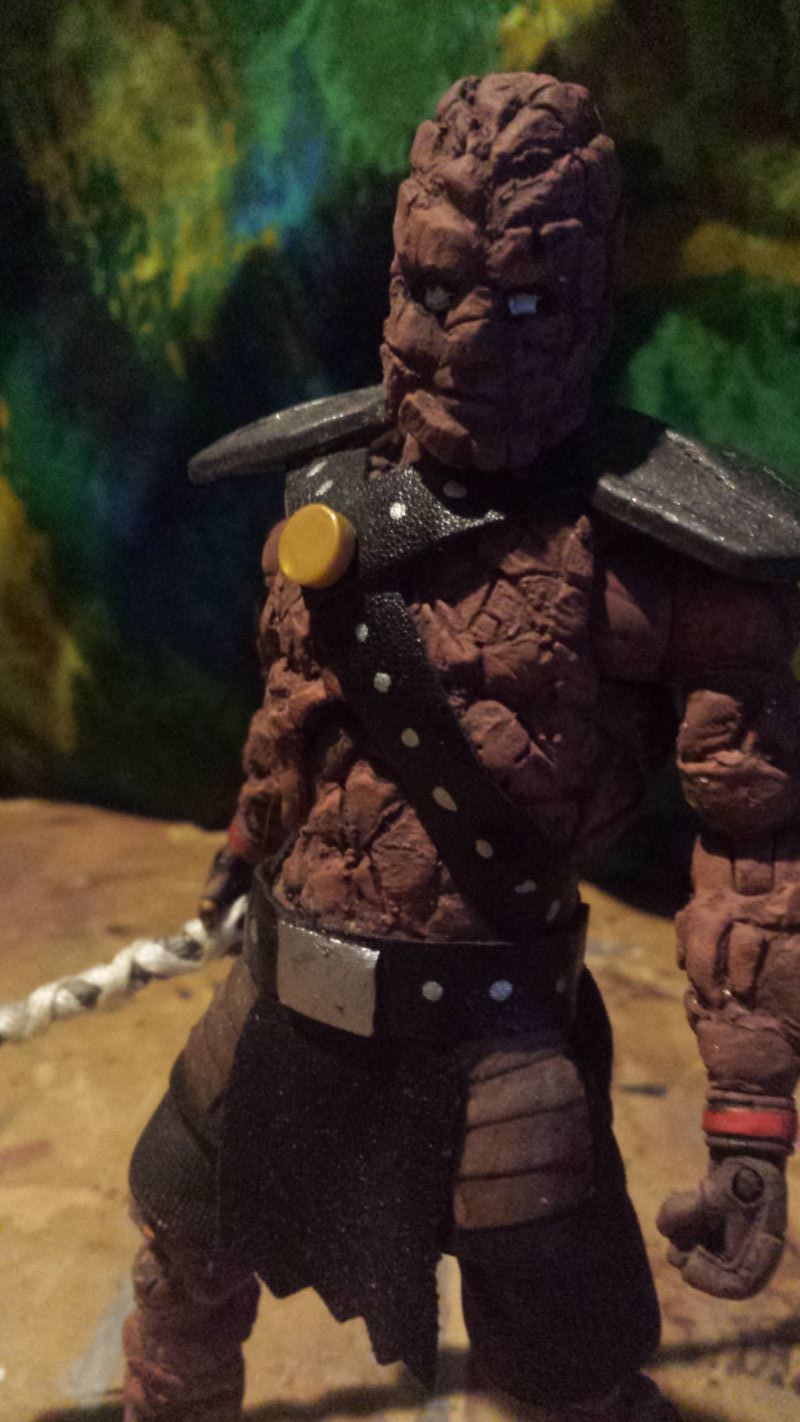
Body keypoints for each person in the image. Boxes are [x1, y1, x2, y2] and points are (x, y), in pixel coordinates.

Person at [123, 72, 800, 1422]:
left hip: (498, 1047)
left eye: (527, 304)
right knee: (181, 1258)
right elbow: (294, 722)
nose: (469, 341)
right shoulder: (329, 489)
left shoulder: (665, 561)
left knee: (560, 1364)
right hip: (282, 1003)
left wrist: (749, 1119)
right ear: (395, 279)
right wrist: (250, 837)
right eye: (435, 291)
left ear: (589, 309)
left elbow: (757, 848)